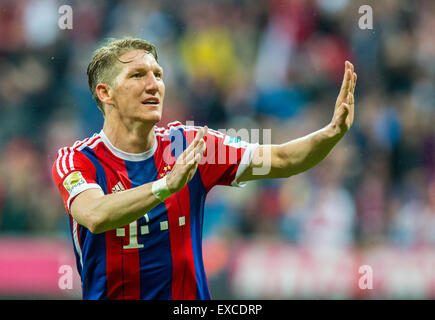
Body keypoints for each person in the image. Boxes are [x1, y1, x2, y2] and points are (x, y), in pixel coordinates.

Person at [52, 38, 357, 300]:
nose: (153, 84)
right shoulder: (78, 160)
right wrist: (166, 186)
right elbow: (95, 215)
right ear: (106, 93)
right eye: (137, 75)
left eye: (158, 74)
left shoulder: (190, 144)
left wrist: (330, 134)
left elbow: (283, 160)